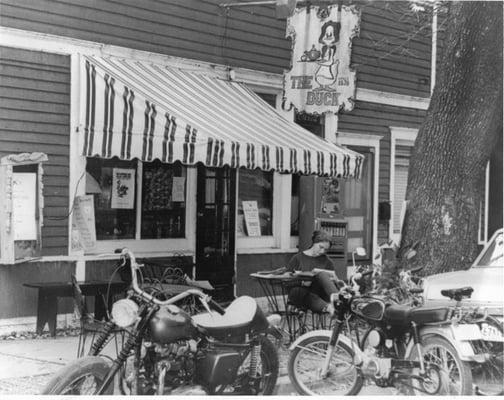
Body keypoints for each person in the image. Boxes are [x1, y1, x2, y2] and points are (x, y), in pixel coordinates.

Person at [286, 230, 340, 314]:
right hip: (300, 295)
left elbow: (332, 283)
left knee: (321, 274)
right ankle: (329, 307)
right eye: (320, 247)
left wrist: (333, 280)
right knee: (297, 291)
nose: (322, 251)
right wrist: (302, 283)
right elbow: (286, 281)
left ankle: (338, 302)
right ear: (314, 243)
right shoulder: (297, 258)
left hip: (319, 294)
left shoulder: (328, 261)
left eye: (326, 250)